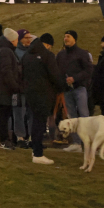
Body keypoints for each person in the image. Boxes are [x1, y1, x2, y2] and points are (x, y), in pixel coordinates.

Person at [23, 33, 65, 165]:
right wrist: (62, 87)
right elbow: (55, 75)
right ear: (47, 45)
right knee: (40, 123)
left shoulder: (26, 55)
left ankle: (35, 149)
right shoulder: (48, 56)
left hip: (30, 93)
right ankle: (38, 153)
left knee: (34, 121)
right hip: (43, 94)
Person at [56, 30, 93, 153]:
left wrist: (75, 78)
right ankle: (76, 143)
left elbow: (88, 71)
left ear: (74, 39)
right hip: (66, 90)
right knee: (71, 117)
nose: (65, 38)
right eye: (64, 36)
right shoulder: (60, 55)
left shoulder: (82, 54)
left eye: (68, 36)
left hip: (79, 88)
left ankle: (88, 143)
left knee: (84, 116)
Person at [0, 28, 21, 149]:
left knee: (4, 115)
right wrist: (15, 86)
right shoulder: (6, 51)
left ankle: (5, 139)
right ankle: (4, 140)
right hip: (4, 90)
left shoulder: (2, 50)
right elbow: (7, 71)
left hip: (1, 89)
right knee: (4, 116)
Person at [13, 29, 34, 148]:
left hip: (30, 87)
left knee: (30, 113)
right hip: (19, 87)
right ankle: (20, 136)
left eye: (29, 37)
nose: (29, 40)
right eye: (26, 37)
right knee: (19, 112)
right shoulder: (15, 52)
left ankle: (30, 136)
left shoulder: (31, 51)